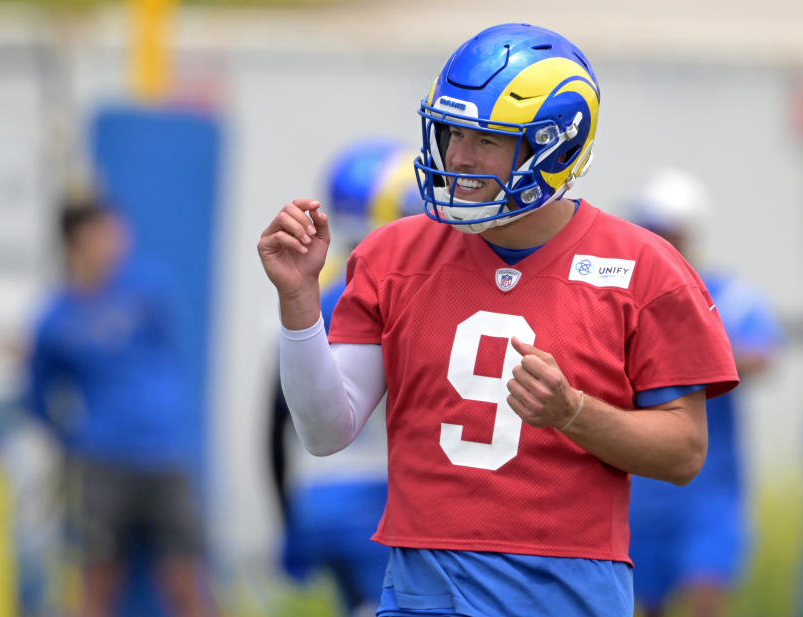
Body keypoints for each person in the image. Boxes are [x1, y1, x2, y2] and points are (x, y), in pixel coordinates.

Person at [257, 23, 739, 617]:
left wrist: (574, 413)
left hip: (566, 592)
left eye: (485, 140)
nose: (457, 156)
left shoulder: (643, 269)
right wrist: (300, 303)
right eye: (452, 132)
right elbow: (327, 431)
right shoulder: (393, 254)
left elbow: (684, 452)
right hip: (424, 589)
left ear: (555, 145)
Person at [25, 199, 213, 617]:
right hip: (102, 464)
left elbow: (175, 353)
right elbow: (37, 396)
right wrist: (73, 437)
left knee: (186, 580)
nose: (116, 242)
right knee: (98, 582)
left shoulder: (151, 288)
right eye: (103, 233)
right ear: (75, 242)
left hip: (164, 455)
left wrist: (168, 413)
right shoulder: (55, 318)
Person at [268, 139, 421, 617]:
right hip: (376, 500)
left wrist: (288, 516)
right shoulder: (398, 292)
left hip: (314, 500)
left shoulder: (304, 289)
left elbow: (275, 423)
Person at [626, 169, 783, 617]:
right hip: (642, 485)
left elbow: (763, 354)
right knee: (639, 602)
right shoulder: (629, 293)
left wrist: (690, 348)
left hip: (710, 488)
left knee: (706, 598)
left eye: (661, 230)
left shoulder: (727, 296)